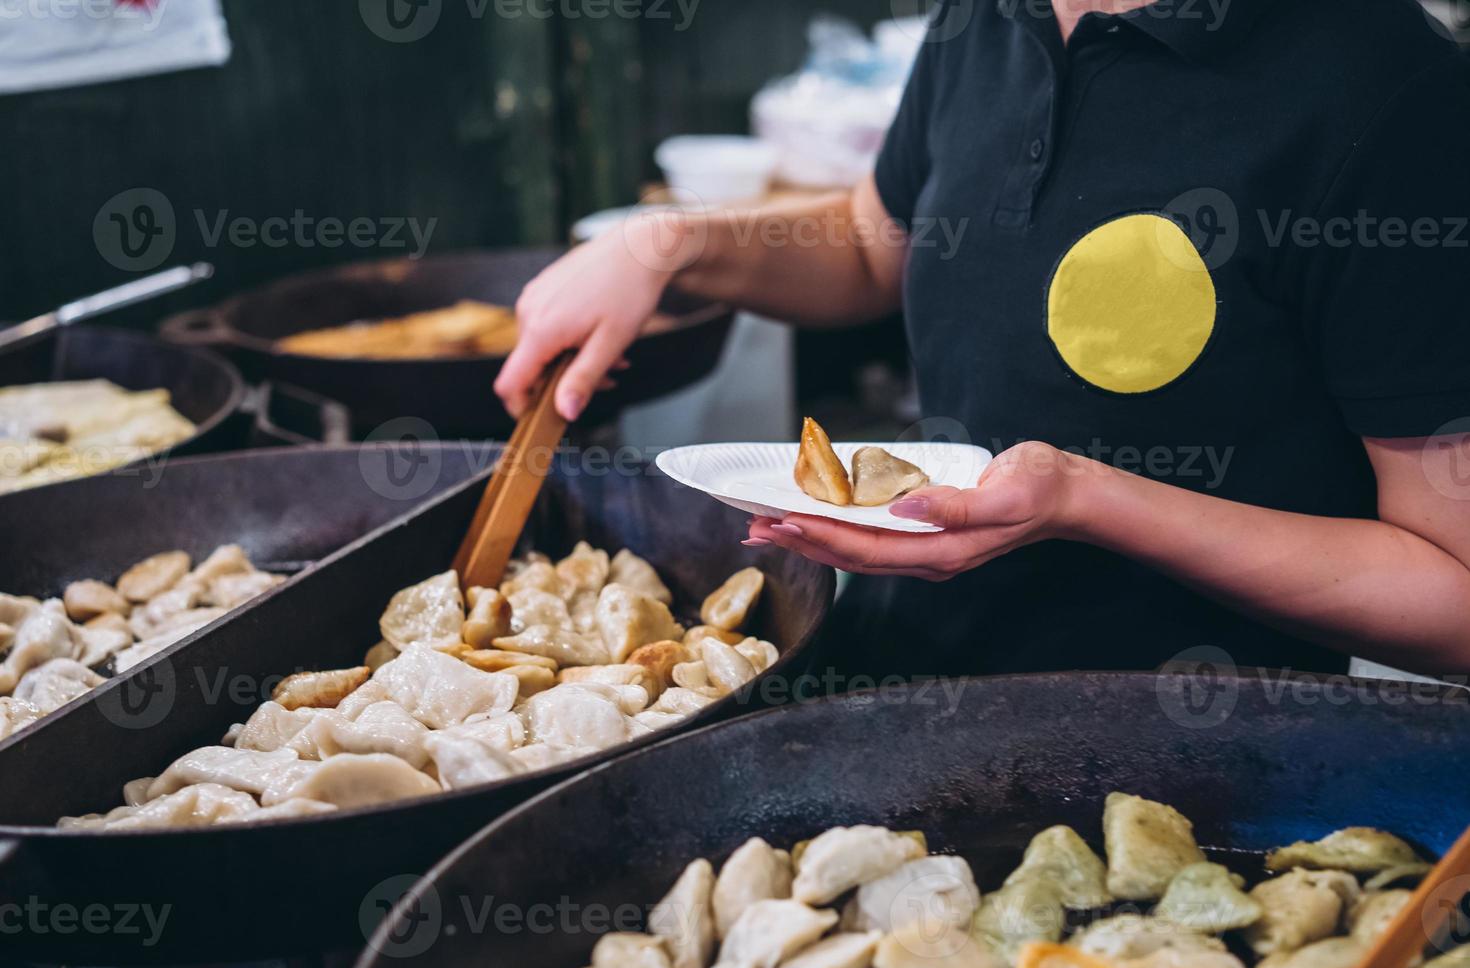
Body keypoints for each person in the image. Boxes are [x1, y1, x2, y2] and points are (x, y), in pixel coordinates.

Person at [497, 0, 1470, 682]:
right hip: (890, 669)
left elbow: (1452, 594)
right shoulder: (985, 18)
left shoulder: (1392, 97)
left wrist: (1086, 499)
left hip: (1182, 745)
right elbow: (874, 245)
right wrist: (671, 244)